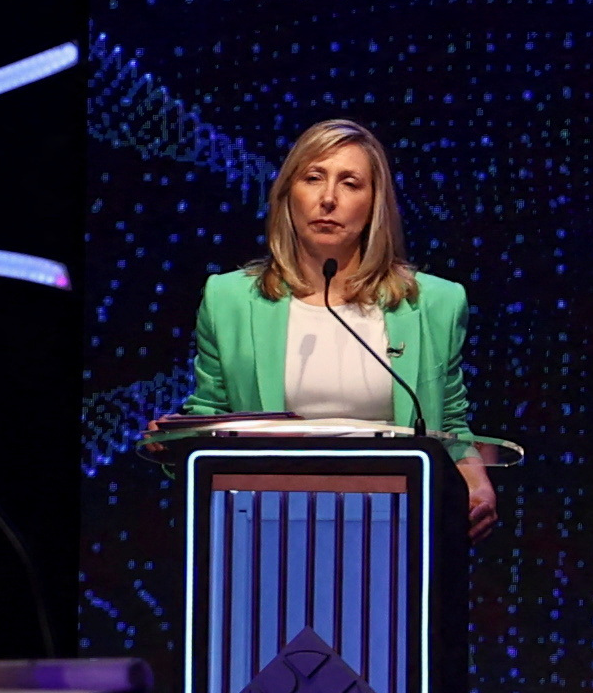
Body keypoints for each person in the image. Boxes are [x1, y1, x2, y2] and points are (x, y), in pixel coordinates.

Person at [186, 118, 495, 532]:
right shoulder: (229, 301)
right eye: (313, 177)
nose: (328, 198)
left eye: (350, 183)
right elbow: (210, 417)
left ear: (374, 204)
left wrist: (476, 483)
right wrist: (173, 442)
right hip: (265, 521)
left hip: (395, 521)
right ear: (287, 195)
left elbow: (450, 425)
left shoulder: (434, 303)